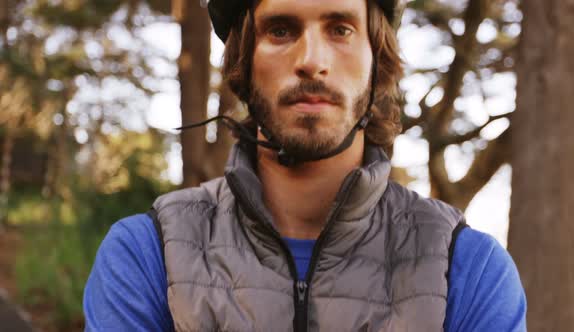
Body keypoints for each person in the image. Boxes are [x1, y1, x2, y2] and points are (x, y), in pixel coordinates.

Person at [83, 0, 527, 331]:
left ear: (377, 59)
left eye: (340, 29)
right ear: (244, 61)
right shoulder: (148, 255)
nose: (312, 60)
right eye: (280, 30)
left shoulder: (468, 268)